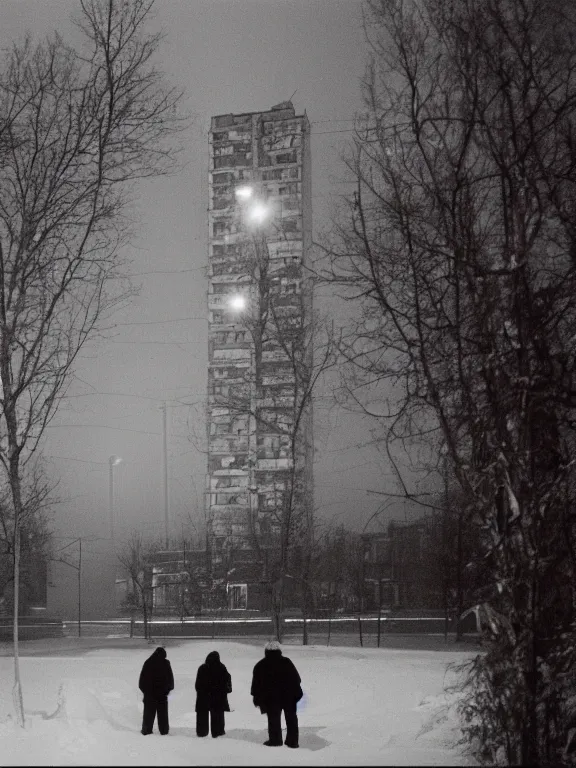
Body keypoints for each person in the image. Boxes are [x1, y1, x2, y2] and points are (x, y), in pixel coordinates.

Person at [251, 640, 303, 748]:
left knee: (273, 719)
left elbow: (256, 685)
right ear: (279, 650)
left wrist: (257, 698)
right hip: (289, 696)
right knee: (291, 718)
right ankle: (292, 742)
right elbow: (296, 679)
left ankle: (275, 740)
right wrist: (296, 693)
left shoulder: (260, 665)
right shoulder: (287, 662)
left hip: (271, 698)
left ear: (266, 651)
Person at [195, 650, 232, 738]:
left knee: (202, 717)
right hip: (218, 699)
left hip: (203, 698)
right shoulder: (222, 668)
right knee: (218, 718)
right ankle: (218, 734)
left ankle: (202, 734)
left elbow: (197, 685)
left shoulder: (202, 668)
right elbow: (228, 687)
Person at [138, 646, 174, 735]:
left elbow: (141, 681)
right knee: (163, 715)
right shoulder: (166, 663)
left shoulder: (148, 663)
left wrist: (146, 692)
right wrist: (167, 690)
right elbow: (170, 680)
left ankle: (146, 730)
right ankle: (164, 731)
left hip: (149, 695)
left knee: (148, 715)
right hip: (162, 695)